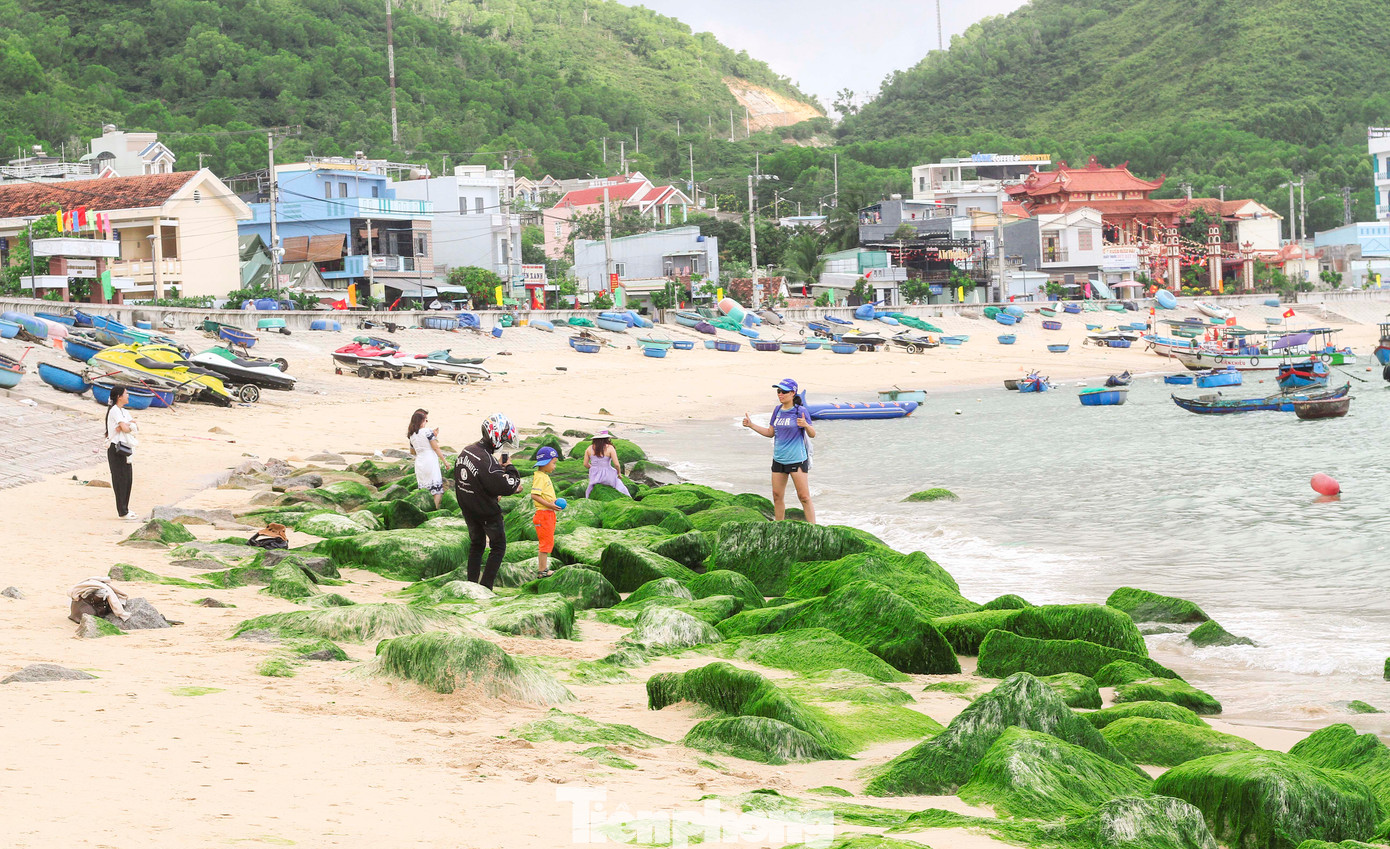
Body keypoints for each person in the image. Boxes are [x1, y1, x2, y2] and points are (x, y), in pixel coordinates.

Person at [452, 413, 522, 590]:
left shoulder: (467, 450)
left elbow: (472, 480)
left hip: (467, 507)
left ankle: (471, 584)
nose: (504, 444)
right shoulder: (487, 462)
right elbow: (508, 486)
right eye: (504, 439)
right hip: (486, 511)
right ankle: (485, 587)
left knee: (477, 545)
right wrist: (510, 467)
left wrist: (493, 489)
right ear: (496, 436)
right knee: (498, 547)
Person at [742, 378, 817, 523]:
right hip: (779, 459)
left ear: (793, 393)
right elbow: (770, 432)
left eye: (784, 391)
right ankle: (779, 526)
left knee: (804, 497)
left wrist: (806, 425)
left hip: (797, 460)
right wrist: (751, 425)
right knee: (777, 496)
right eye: (778, 391)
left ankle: (813, 528)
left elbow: (812, 434)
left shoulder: (800, 411)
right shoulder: (777, 410)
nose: (780, 394)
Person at [530, 446, 565, 579]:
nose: (555, 467)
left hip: (548, 514)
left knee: (548, 541)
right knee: (545, 543)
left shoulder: (544, 476)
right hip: (543, 515)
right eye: (553, 463)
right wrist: (550, 505)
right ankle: (542, 571)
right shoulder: (540, 477)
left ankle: (543, 569)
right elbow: (534, 495)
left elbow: (544, 494)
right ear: (545, 463)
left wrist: (553, 501)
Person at [105, 385, 139, 520]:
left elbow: (134, 426)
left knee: (128, 479)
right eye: (126, 393)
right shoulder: (114, 410)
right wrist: (128, 426)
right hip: (116, 448)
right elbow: (126, 428)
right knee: (120, 480)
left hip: (125, 447)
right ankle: (122, 512)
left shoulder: (124, 411)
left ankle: (126, 508)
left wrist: (128, 425)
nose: (128, 395)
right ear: (119, 397)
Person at [407, 408, 448, 510]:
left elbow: (412, 452)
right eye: (426, 420)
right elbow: (436, 448)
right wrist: (445, 462)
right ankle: (434, 510)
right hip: (430, 460)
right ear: (421, 421)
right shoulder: (428, 431)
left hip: (420, 462)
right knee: (437, 489)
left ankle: (425, 510)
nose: (426, 422)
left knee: (424, 489)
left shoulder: (411, 435)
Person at [584, 429, 630, 497]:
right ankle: (627, 497)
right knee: (619, 484)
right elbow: (616, 464)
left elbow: (585, 464)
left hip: (594, 475)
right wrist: (619, 473)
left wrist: (593, 467)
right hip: (607, 475)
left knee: (591, 489)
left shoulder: (589, 448)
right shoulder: (610, 448)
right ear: (606, 438)